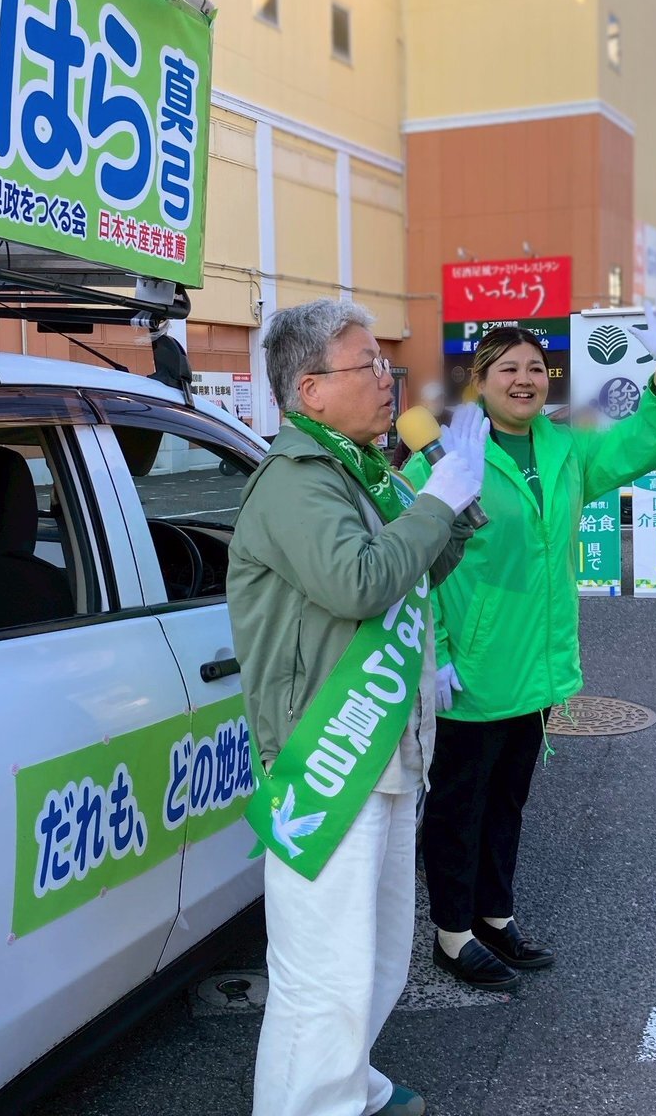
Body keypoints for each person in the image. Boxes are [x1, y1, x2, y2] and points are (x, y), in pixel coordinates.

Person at [227, 298, 487, 1116]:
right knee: (322, 973)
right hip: (329, 755)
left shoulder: (361, 471)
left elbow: (417, 568)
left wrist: (454, 496)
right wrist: (436, 501)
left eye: (384, 363)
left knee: (375, 958)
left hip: (388, 749)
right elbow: (360, 582)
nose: (386, 380)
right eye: (367, 365)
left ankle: (350, 1089)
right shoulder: (297, 482)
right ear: (310, 389)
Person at [407, 299, 656, 991]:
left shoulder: (567, 450)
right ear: (478, 381)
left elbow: (648, 441)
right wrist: (435, 653)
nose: (524, 379)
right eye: (507, 368)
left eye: (535, 368)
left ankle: (493, 916)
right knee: (457, 807)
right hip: (471, 668)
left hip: (536, 665)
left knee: (507, 800)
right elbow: (415, 565)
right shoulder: (445, 457)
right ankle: (451, 934)